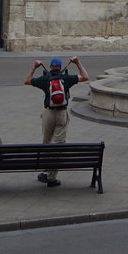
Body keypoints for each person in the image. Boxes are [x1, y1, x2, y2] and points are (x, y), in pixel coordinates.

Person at [26, 55, 90, 187]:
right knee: (57, 145)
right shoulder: (66, 78)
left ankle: (46, 170)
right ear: (60, 67)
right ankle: (51, 177)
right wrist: (77, 63)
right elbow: (85, 76)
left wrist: (34, 67)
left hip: (48, 112)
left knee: (46, 142)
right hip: (62, 113)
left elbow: (27, 81)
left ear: (50, 67)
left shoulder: (45, 79)